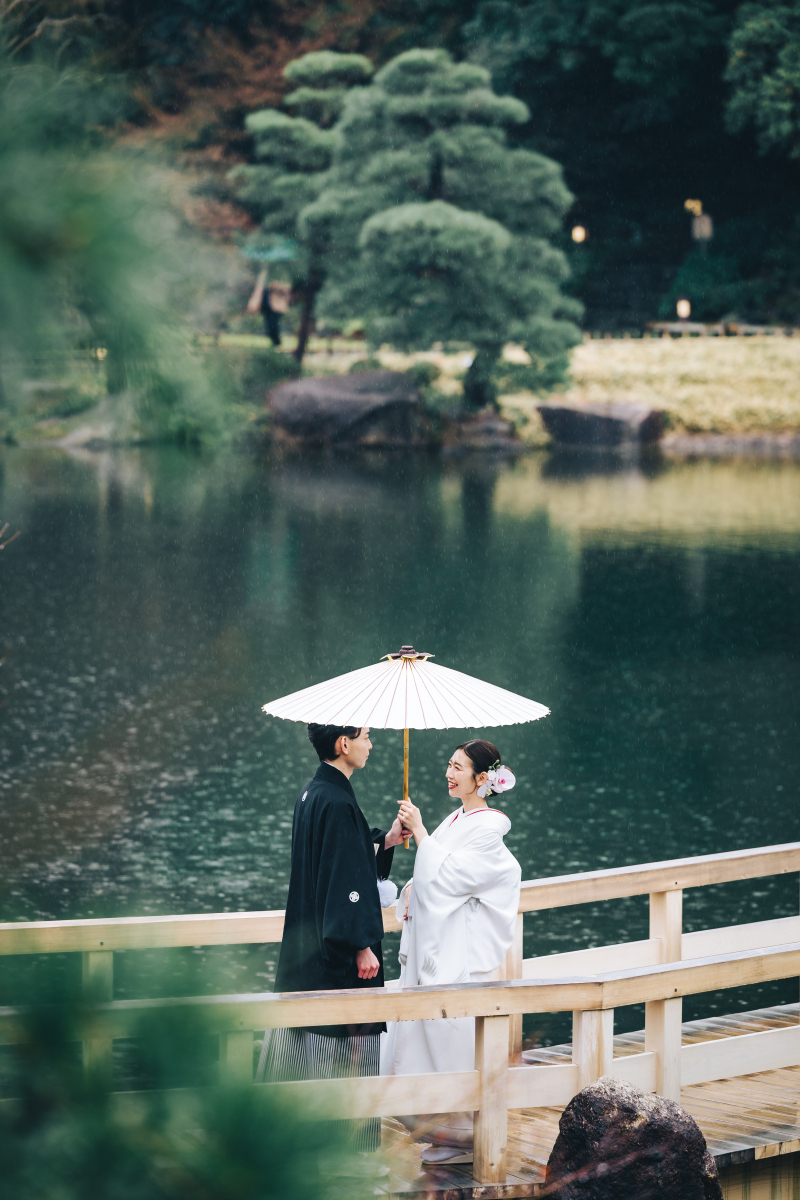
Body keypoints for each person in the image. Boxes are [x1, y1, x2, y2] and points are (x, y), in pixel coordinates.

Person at [256, 723, 409, 1153]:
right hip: (336, 953)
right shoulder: (337, 800)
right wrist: (361, 943)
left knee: (303, 1046)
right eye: (364, 737)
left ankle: (290, 1144)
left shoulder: (314, 792)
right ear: (343, 744)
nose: (370, 744)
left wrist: (387, 839)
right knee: (342, 1047)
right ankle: (344, 1154)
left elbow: (339, 860)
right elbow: (344, 880)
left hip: (307, 946)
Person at [380, 739, 521, 1167]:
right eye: (448, 764)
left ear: (482, 778)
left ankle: (462, 1134)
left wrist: (421, 831)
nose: (449, 772)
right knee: (423, 1032)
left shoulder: (488, 826)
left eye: (458, 767)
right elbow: (433, 875)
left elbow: (452, 879)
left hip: (456, 950)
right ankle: (438, 1127)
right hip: (437, 943)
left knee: (449, 1034)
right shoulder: (459, 817)